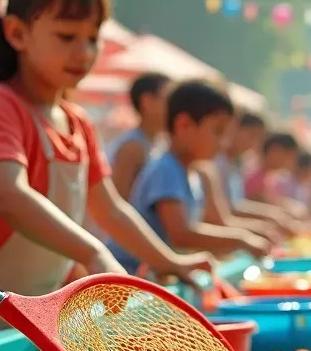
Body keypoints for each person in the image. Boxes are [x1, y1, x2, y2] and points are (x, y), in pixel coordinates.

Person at [0, 0, 214, 306]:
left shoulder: (78, 122)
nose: (84, 52)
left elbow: (111, 209)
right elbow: (10, 197)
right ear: (17, 33)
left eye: (92, 38)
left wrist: (168, 260)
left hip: (36, 315)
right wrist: (93, 252)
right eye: (67, 36)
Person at [109, 79, 270, 273]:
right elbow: (182, 234)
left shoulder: (191, 172)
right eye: (217, 132)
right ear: (184, 125)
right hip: (128, 279)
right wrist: (241, 240)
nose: (223, 143)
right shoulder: (165, 168)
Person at [209, 110, 295, 237]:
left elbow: (237, 204)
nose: (255, 144)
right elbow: (225, 212)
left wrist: (272, 216)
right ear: (235, 128)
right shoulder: (215, 163)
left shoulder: (235, 164)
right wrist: (263, 223)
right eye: (253, 136)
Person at [108, 72, 170, 200]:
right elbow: (118, 202)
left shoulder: (158, 143)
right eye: (168, 100)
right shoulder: (133, 148)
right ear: (147, 102)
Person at [245, 130, 307, 219]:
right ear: (275, 150)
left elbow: (276, 202)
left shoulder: (272, 178)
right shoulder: (254, 177)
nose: (290, 161)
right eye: (289, 156)